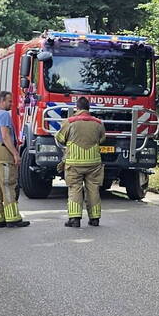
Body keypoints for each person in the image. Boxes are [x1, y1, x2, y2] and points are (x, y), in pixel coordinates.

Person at [55, 97, 106, 227]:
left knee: (75, 189)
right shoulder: (98, 123)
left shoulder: (69, 122)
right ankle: (95, 218)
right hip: (93, 163)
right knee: (93, 189)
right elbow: (102, 139)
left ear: (77, 108)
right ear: (89, 108)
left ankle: (75, 219)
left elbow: (60, 138)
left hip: (74, 162)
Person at [0, 92, 29, 227]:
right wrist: (15, 154)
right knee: (8, 185)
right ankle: (13, 218)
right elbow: (5, 136)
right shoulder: (4, 115)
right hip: (3, 153)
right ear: (2, 101)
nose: (12, 104)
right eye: (9, 101)